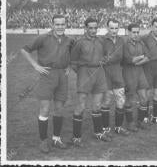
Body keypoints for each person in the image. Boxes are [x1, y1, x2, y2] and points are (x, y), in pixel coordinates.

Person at [21, 14, 73, 153]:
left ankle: (56, 139)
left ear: (66, 25)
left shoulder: (69, 40)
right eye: (57, 24)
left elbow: (73, 53)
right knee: (44, 109)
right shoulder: (43, 38)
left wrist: (69, 66)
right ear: (52, 25)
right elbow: (24, 49)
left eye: (63, 24)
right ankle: (43, 141)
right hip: (47, 75)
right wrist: (35, 65)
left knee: (59, 109)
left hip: (62, 76)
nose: (60, 26)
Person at [70, 17, 111, 147]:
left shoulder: (101, 41)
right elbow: (73, 62)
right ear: (85, 28)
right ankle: (76, 137)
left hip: (99, 73)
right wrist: (82, 72)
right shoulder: (80, 42)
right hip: (84, 74)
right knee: (81, 105)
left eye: (95, 28)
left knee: (97, 105)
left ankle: (98, 132)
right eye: (91, 28)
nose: (93, 30)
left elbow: (104, 55)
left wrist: (104, 59)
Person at [101, 18, 129, 137]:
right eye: (111, 28)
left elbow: (124, 58)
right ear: (107, 28)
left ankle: (118, 127)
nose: (114, 30)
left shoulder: (121, 40)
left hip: (118, 73)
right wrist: (103, 60)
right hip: (105, 74)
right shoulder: (101, 40)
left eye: (116, 28)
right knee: (106, 101)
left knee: (121, 101)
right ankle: (105, 127)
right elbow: (98, 58)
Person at [122, 23, 150, 131]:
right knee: (129, 99)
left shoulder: (141, 43)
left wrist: (139, 61)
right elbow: (130, 60)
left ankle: (140, 120)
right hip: (128, 73)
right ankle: (130, 122)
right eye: (133, 32)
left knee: (144, 98)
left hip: (140, 72)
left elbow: (149, 56)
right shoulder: (124, 44)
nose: (136, 34)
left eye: (138, 32)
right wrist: (141, 57)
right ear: (128, 32)